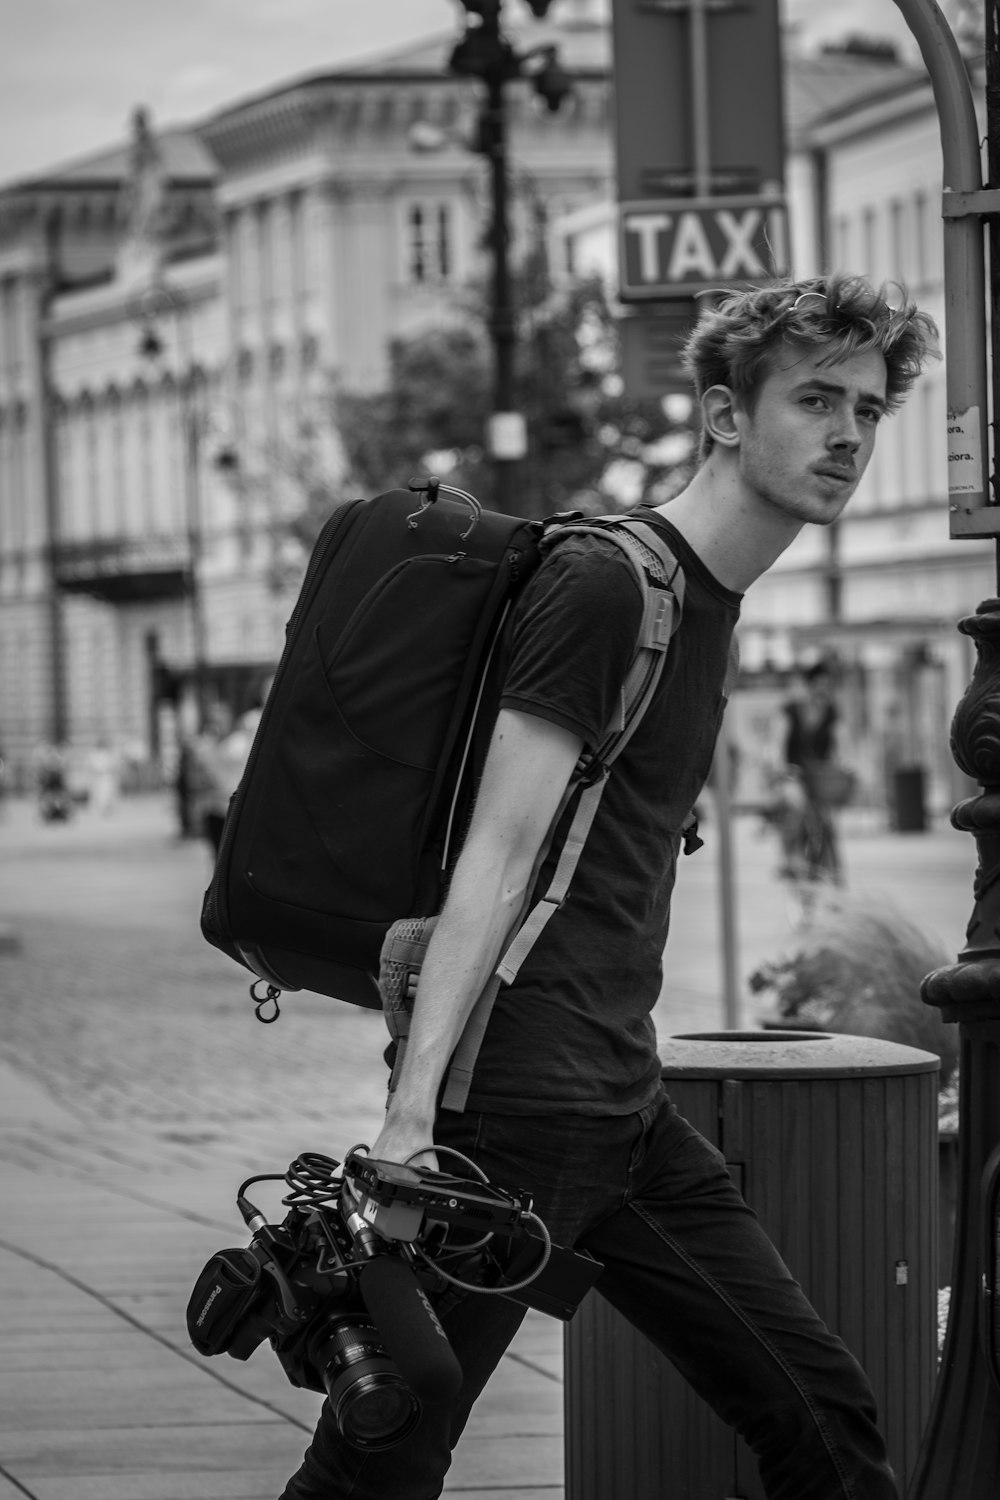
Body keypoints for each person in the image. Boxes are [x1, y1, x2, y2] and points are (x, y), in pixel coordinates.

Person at [278, 274, 936, 1500]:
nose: (848, 432)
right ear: (724, 416)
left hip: (619, 1110)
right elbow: (499, 850)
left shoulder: (711, 601)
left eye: (867, 405)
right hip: (508, 1117)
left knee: (822, 1416)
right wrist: (411, 1119)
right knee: (384, 1457)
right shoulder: (607, 585)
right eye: (814, 399)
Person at [779, 661, 847, 882]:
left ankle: (835, 871)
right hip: (794, 774)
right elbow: (777, 741)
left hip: (821, 777)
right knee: (798, 806)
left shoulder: (831, 712)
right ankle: (789, 858)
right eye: (818, 684)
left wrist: (844, 765)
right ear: (809, 686)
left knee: (828, 821)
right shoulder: (791, 710)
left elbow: (840, 743)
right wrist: (781, 767)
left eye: (827, 685)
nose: (823, 690)